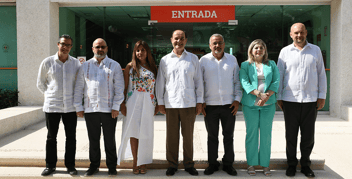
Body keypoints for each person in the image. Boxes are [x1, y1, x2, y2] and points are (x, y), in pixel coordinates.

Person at [277, 23, 327, 178]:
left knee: (308, 136)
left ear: (306, 33)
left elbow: (321, 74)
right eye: (296, 33)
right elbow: (280, 76)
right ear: (291, 34)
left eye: (301, 32)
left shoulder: (315, 50)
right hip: (290, 100)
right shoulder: (285, 52)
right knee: (291, 136)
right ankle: (291, 164)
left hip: (310, 100)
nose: (299, 35)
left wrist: (322, 95)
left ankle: (305, 165)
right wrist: (279, 96)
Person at [156, 29, 204, 176]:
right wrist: (160, 102)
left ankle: (189, 164)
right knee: (171, 137)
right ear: (171, 40)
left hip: (189, 103)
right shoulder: (165, 60)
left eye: (182, 38)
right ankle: (172, 164)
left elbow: (199, 82)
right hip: (171, 104)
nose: (179, 41)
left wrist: (200, 102)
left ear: (186, 40)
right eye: (176, 38)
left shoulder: (193, 59)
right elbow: (160, 83)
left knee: (188, 137)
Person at [74, 38, 124, 177]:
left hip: (109, 110)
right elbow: (79, 87)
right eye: (97, 47)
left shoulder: (114, 65)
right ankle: (94, 166)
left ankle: (112, 167)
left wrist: (116, 106)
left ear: (107, 49)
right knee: (93, 140)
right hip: (90, 110)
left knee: (110, 140)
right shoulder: (85, 66)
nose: (100, 49)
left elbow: (119, 88)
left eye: (103, 47)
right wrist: (78, 106)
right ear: (92, 49)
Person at [37, 34, 80, 176]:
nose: (66, 47)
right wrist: (49, 95)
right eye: (63, 44)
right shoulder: (47, 62)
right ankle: (50, 166)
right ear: (58, 44)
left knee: (71, 137)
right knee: (51, 137)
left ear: (71, 47)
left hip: (70, 107)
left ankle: (70, 166)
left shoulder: (75, 63)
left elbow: (79, 84)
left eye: (68, 45)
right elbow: (40, 83)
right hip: (52, 106)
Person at [200, 34, 242, 176]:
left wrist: (237, 100)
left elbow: (237, 81)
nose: (217, 46)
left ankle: (228, 164)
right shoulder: (203, 61)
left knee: (228, 136)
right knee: (212, 136)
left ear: (224, 44)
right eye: (214, 43)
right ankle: (212, 163)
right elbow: (200, 84)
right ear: (210, 45)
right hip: (210, 105)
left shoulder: (232, 60)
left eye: (219, 43)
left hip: (228, 105)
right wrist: (201, 101)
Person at [239, 39, 280, 177]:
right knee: (252, 134)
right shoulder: (245, 65)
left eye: (261, 47)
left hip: (268, 105)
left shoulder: (272, 64)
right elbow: (244, 82)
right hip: (250, 105)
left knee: (266, 135)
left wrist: (266, 97)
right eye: (256, 47)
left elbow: (276, 81)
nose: (259, 50)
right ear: (251, 50)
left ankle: (265, 164)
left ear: (265, 50)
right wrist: (259, 95)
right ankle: (251, 164)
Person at [117, 40, 158, 174]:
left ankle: (143, 161)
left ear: (147, 52)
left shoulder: (153, 67)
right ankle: (135, 161)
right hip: (133, 102)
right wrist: (122, 104)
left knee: (145, 133)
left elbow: (156, 88)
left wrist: (157, 105)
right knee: (134, 132)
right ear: (134, 52)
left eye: (143, 50)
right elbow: (124, 87)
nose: (140, 52)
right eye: (137, 50)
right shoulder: (130, 67)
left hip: (149, 102)